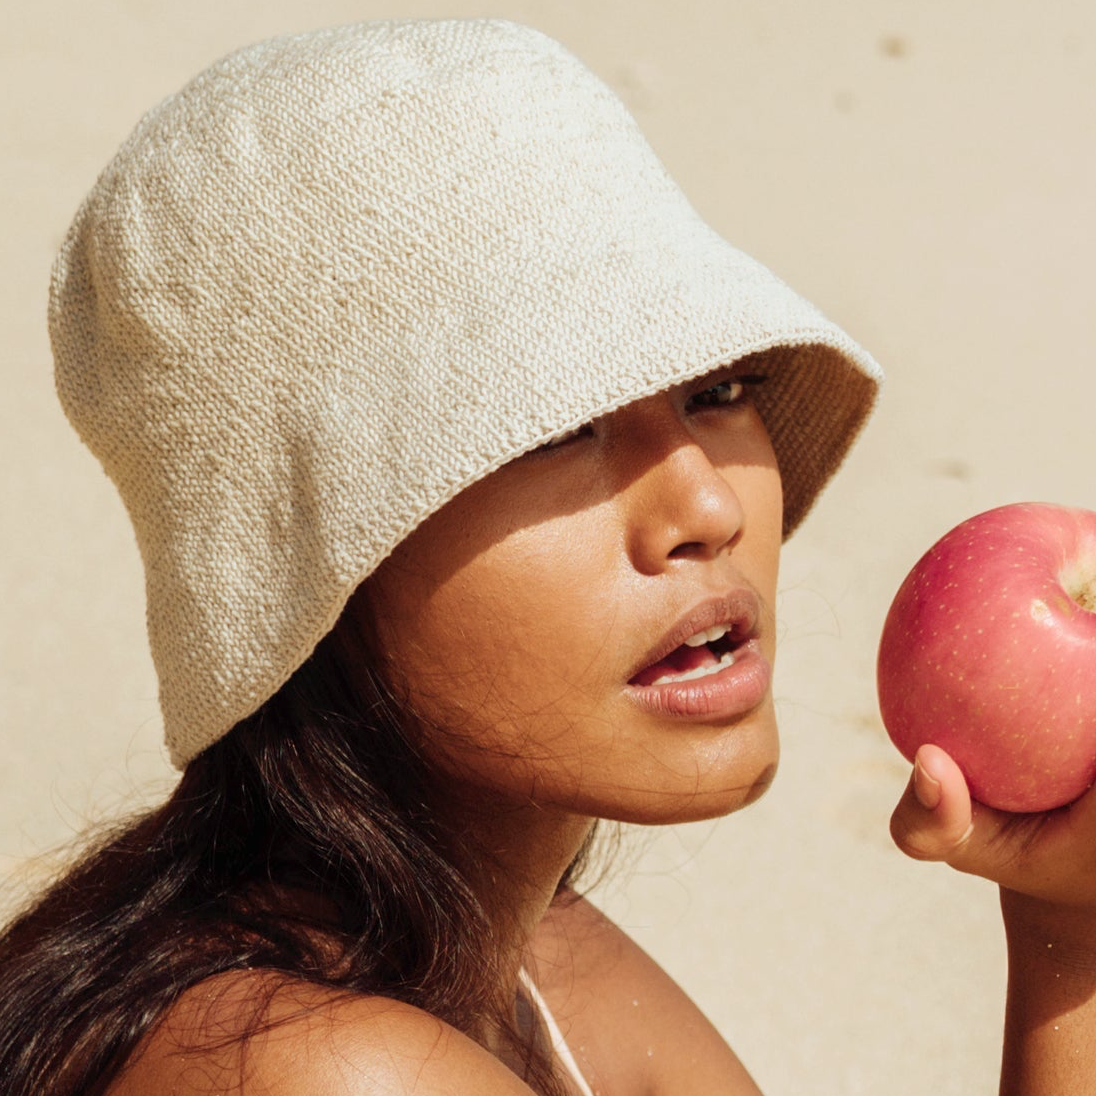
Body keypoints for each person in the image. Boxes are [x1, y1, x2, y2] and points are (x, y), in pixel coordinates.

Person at [2, 18, 1095, 1096]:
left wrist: (1067, 926)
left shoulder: (524, 956)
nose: (708, 504)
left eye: (715, 391)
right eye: (549, 431)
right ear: (318, 575)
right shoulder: (315, 1067)